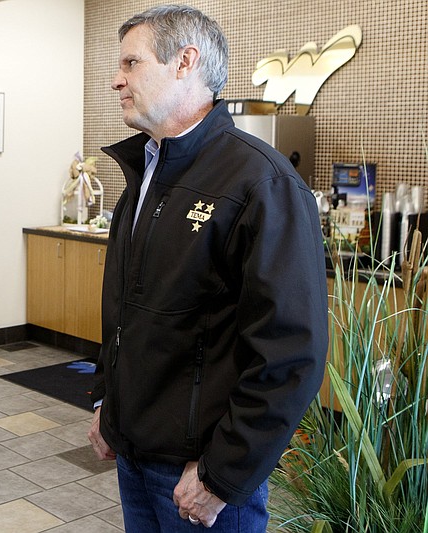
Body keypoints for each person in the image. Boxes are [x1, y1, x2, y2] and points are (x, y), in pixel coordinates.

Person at [87, 6, 328, 532]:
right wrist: (112, 403)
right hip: (135, 457)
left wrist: (225, 473)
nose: (115, 80)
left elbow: (290, 353)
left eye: (130, 62)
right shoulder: (147, 171)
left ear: (184, 62)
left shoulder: (260, 182)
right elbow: (130, 313)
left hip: (203, 476)